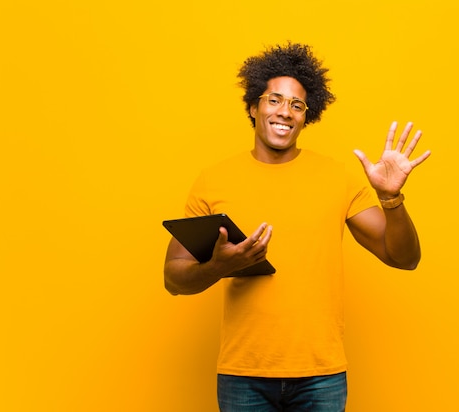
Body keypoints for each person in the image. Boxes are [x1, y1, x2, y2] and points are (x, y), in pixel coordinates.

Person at [164, 42, 431, 412]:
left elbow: (404, 258)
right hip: (243, 375)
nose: (285, 112)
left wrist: (390, 199)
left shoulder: (336, 177)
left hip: (320, 377)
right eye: (274, 100)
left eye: (297, 105)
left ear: (308, 116)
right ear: (253, 107)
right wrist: (220, 266)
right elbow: (173, 278)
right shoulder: (213, 181)